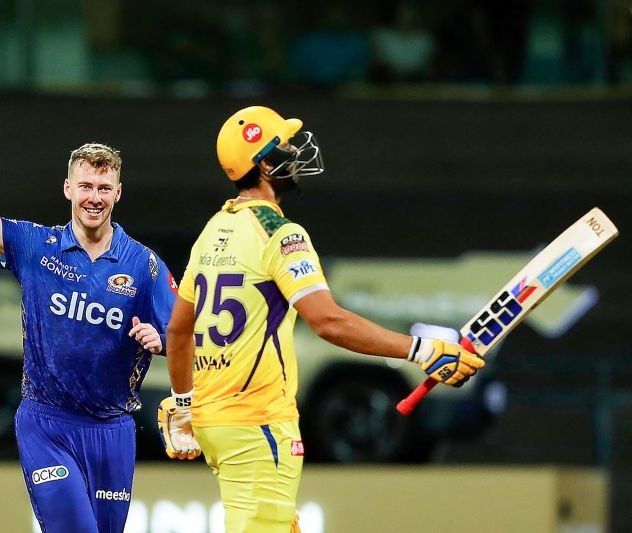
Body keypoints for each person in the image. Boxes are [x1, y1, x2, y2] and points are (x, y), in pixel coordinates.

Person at [158, 105, 485, 532]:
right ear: (266, 163)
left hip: (216, 424)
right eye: (285, 146)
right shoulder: (281, 233)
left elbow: (178, 330)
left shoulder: (213, 230)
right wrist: (421, 350)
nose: (296, 153)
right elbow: (327, 321)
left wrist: (184, 406)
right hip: (259, 426)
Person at [0, 78, 177, 533]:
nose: (95, 196)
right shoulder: (35, 245)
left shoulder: (144, 266)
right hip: (47, 424)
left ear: (118, 193)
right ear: (68, 189)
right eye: (86, 185)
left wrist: (161, 340)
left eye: (104, 187)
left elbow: (184, 336)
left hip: (113, 430)